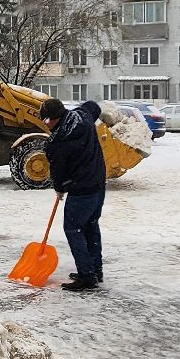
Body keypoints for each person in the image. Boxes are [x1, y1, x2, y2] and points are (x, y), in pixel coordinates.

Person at [40, 98, 105, 291]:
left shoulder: (58, 142)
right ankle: (95, 269)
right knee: (90, 225)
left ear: (53, 118)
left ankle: (87, 276)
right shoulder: (82, 116)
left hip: (81, 189)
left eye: (46, 120)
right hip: (98, 184)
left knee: (73, 228)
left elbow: (58, 171)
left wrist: (59, 187)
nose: (45, 125)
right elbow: (93, 106)